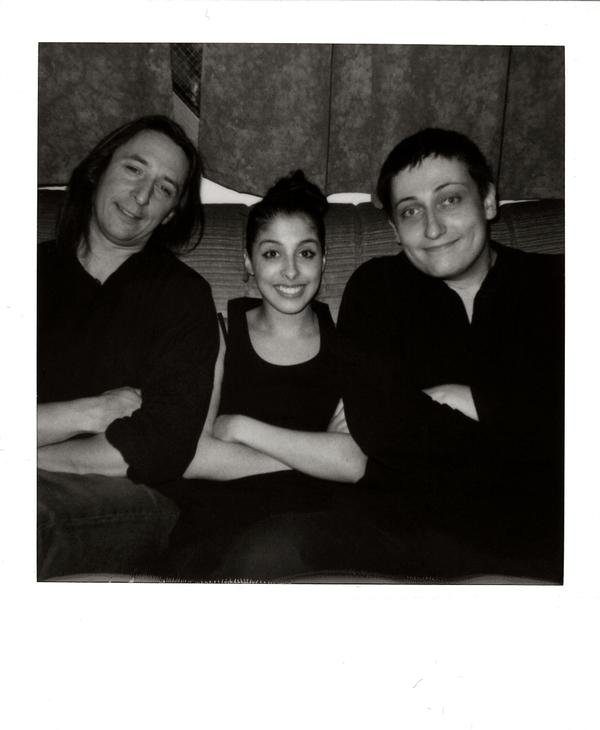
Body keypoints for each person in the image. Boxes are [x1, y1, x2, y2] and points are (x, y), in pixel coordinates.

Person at [337, 128, 564, 581]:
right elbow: (381, 429)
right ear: (394, 230)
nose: (433, 228)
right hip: (400, 533)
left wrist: (468, 398)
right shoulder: (375, 289)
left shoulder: (559, 285)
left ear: (489, 201)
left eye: (450, 199)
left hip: (547, 538)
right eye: (410, 211)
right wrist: (522, 421)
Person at [162, 171, 370, 580]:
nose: (291, 272)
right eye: (272, 253)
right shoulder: (218, 333)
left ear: (324, 260)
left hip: (312, 529)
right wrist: (316, 457)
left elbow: (353, 463)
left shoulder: (349, 344)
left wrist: (240, 427)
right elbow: (193, 457)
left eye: (305, 253)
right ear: (248, 261)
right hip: (218, 523)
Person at [37, 115, 219, 579]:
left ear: (171, 212)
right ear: (98, 170)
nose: (141, 196)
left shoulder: (182, 296)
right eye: (134, 169)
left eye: (164, 188)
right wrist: (89, 412)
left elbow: (161, 446)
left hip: (134, 497)